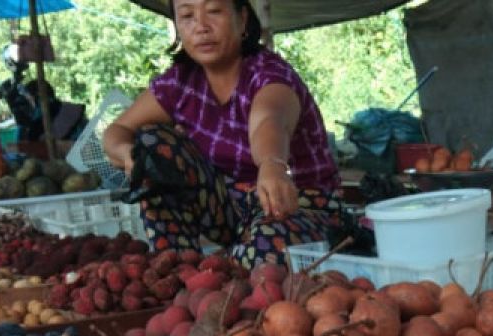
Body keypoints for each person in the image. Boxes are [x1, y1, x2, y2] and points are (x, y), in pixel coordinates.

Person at [102, 0, 342, 267]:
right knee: (152, 146)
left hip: (301, 205)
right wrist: (128, 155)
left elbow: (269, 120)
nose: (201, 27)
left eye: (214, 11)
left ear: (242, 18)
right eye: (187, 16)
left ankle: (233, 266)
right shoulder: (180, 82)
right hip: (232, 210)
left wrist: (272, 165)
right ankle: (177, 269)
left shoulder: (269, 73)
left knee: (264, 253)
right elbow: (117, 130)